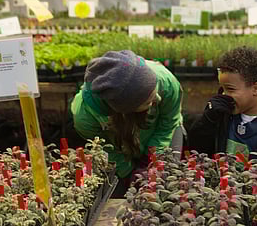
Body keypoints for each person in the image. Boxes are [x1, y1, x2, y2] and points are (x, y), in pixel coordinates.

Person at [71, 50, 184, 195]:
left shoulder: (165, 81)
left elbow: (168, 124)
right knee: (122, 187)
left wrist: (152, 157)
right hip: (119, 142)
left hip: (160, 131)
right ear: (127, 108)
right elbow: (107, 150)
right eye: (148, 101)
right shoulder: (85, 115)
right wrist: (128, 172)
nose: (158, 98)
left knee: (166, 177)